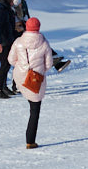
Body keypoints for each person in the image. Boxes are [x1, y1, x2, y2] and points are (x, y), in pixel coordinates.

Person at [8, 17, 54, 148]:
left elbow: (11, 60)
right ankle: (30, 141)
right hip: (35, 79)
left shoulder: (18, 42)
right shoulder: (44, 43)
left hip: (20, 76)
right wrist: (39, 70)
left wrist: (22, 66)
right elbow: (49, 64)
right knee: (34, 110)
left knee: (28, 97)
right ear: (38, 27)